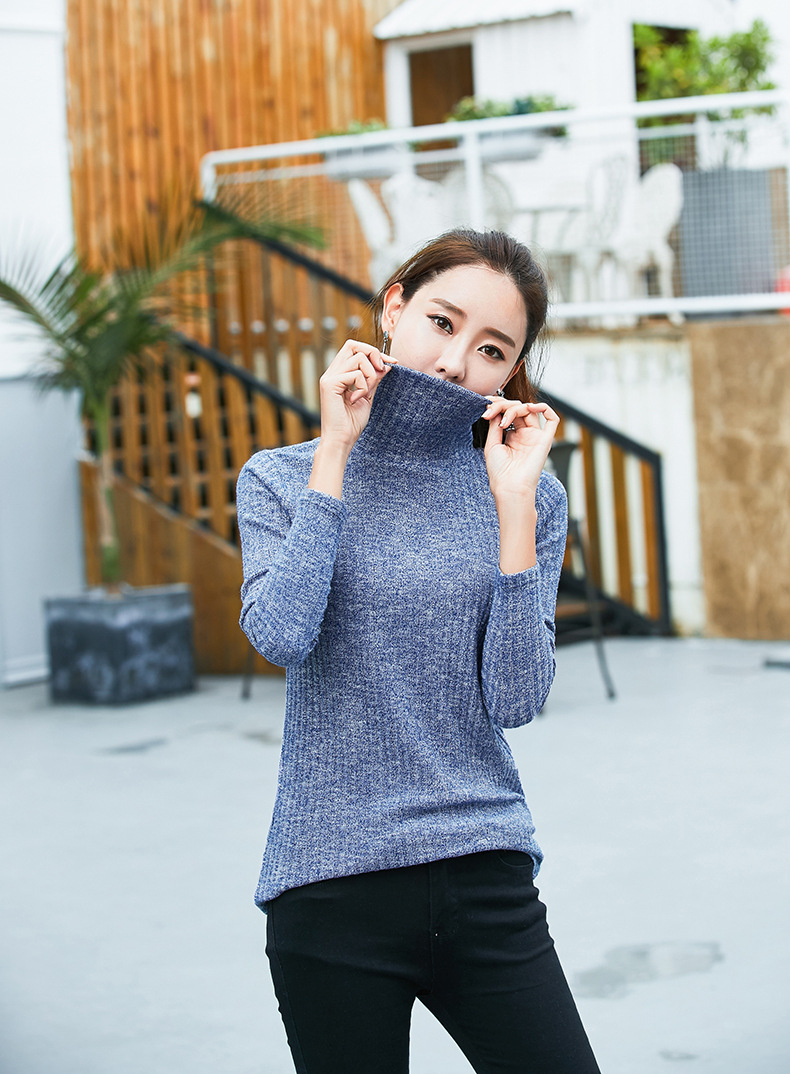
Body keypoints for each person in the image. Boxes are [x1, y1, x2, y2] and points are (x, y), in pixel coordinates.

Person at [236, 228, 601, 1074]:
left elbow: (516, 699)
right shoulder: (281, 477)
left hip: (485, 870)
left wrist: (514, 505)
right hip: (332, 883)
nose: (454, 362)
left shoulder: (531, 496)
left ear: (510, 371)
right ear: (393, 307)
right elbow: (282, 635)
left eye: (491, 350)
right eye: (442, 321)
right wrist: (337, 449)